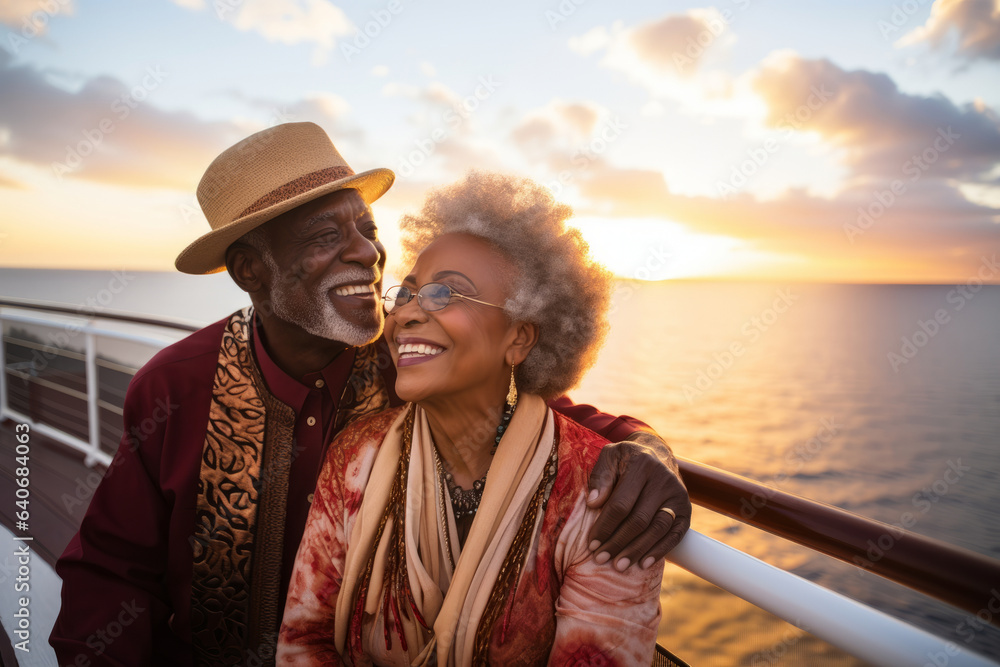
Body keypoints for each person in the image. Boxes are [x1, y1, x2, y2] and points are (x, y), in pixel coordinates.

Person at [49, 122, 690, 666]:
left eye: (366, 227)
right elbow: (113, 570)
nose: (370, 254)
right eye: (326, 237)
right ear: (251, 270)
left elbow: (532, 411)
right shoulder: (175, 384)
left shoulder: (408, 366)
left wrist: (647, 446)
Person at [277, 171, 670, 666]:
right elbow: (303, 642)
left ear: (520, 339)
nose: (407, 314)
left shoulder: (599, 499)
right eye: (406, 293)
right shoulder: (356, 455)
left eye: (446, 294)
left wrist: (650, 444)